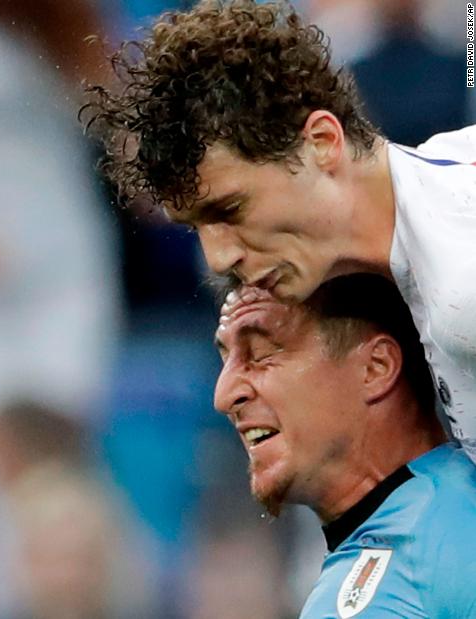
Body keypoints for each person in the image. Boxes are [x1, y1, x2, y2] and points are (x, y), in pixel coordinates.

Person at [84, 0, 476, 458]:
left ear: (322, 143)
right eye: (196, 228)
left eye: (229, 209)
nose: (217, 258)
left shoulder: (460, 283)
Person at [213, 274, 476, 617]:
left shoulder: (412, 572)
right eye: (225, 360)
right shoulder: (447, 506)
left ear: (375, 367)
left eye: (261, 354)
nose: (224, 395)